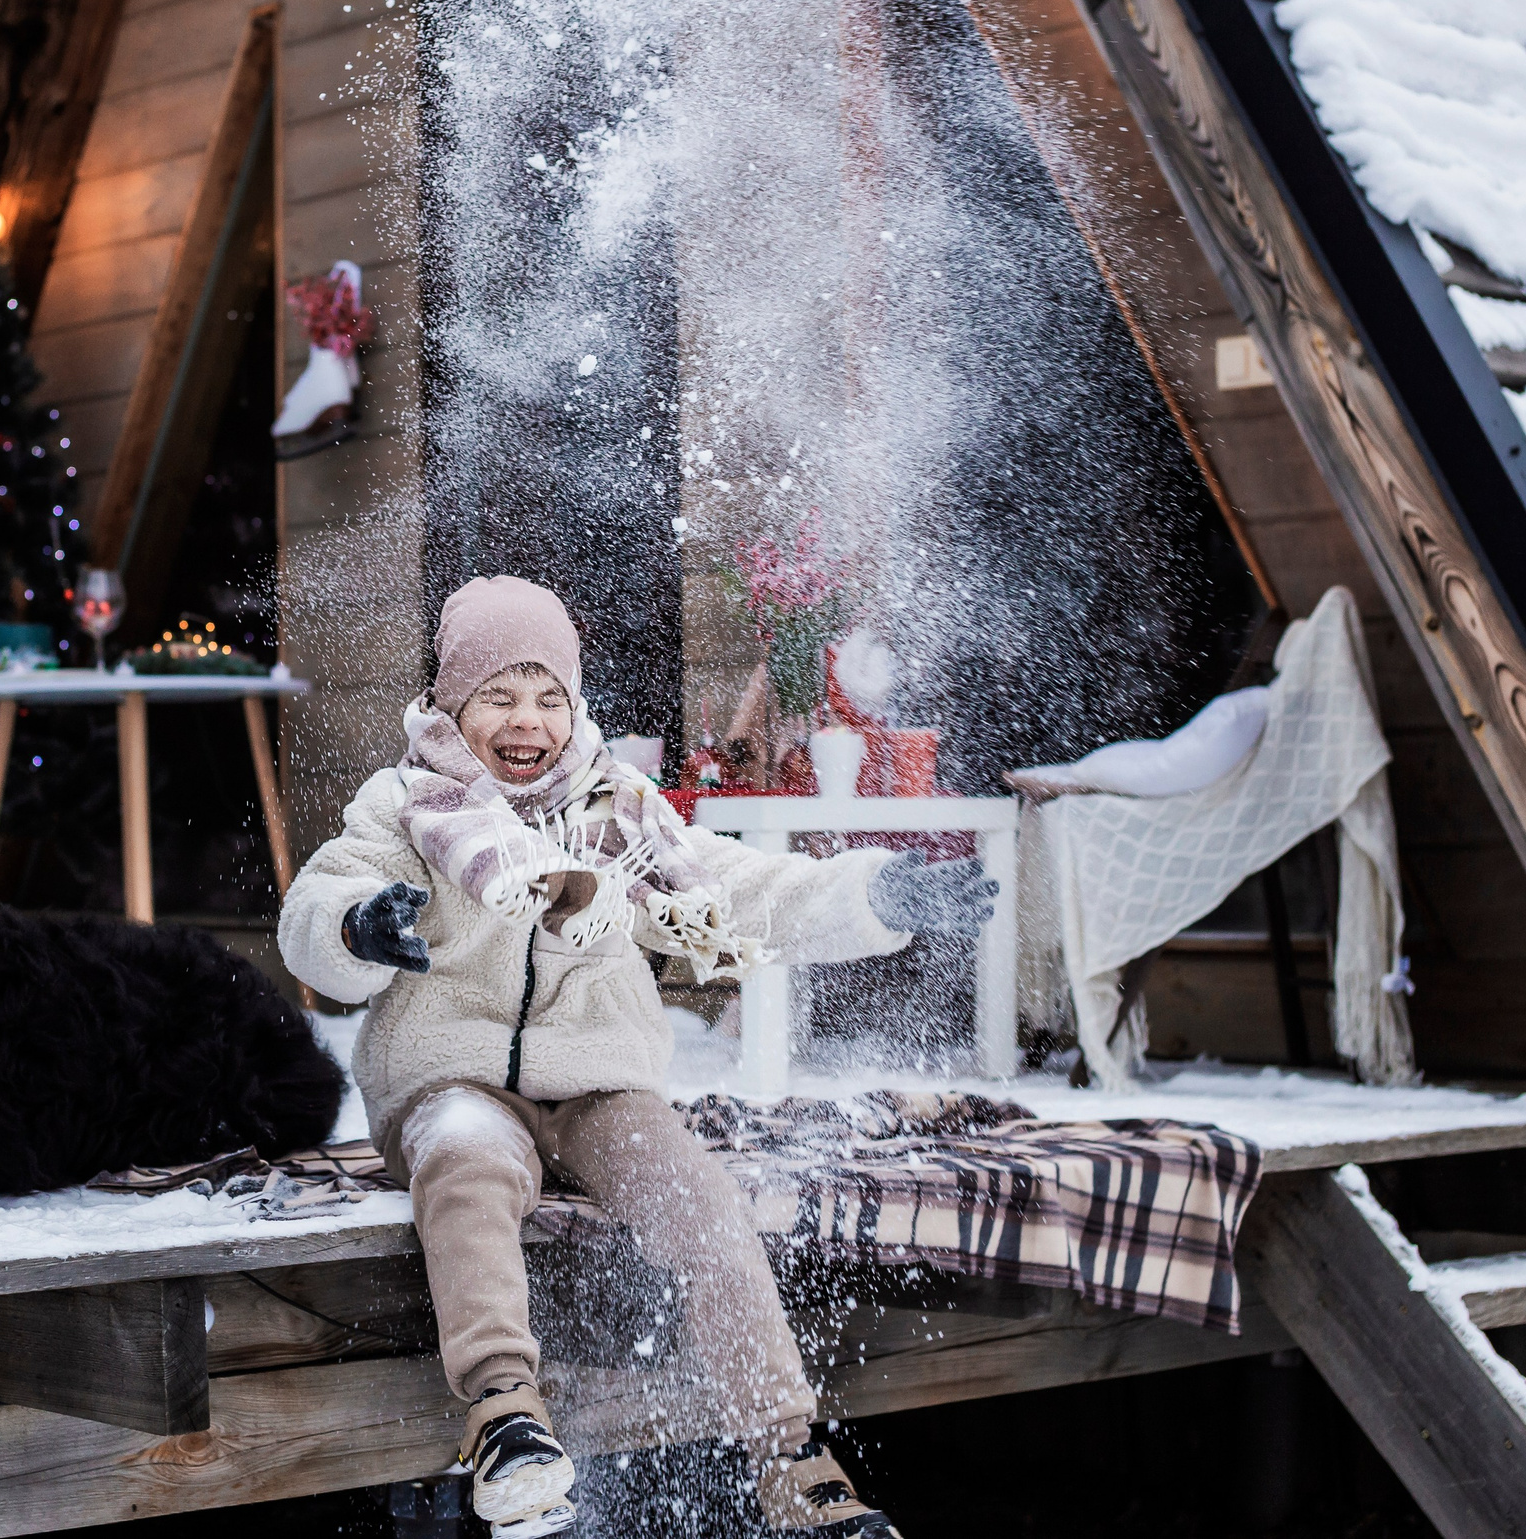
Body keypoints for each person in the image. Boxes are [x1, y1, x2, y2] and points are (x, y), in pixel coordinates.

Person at [278, 576, 996, 1538]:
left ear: (574, 707)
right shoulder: (408, 804)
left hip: (599, 1085)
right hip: (451, 1079)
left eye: (548, 696)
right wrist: (358, 928)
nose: (525, 719)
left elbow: (745, 887)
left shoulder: (621, 807)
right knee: (465, 1154)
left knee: (693, 1192)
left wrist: (878, 898)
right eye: (498, 695)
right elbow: (314, 909)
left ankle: (789, 1458)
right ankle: (504, 1416)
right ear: (453, 703)